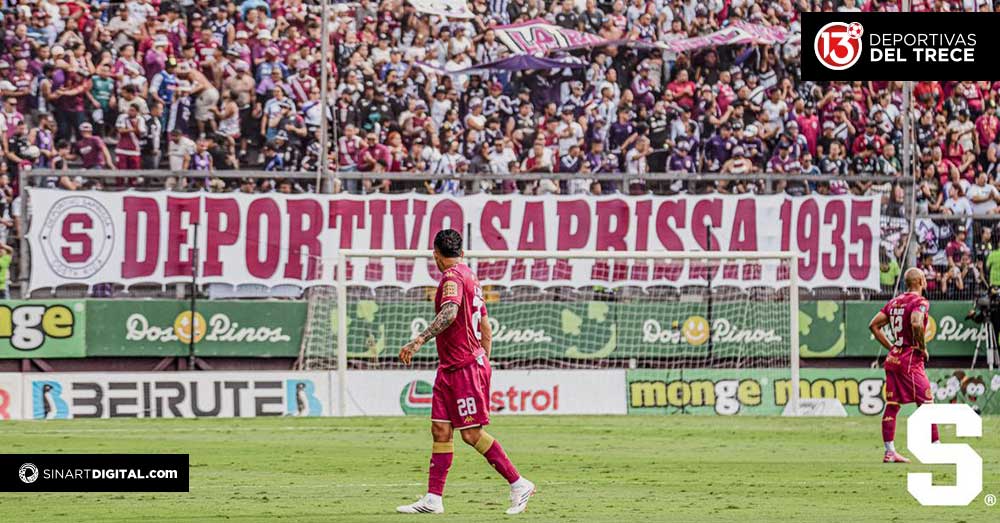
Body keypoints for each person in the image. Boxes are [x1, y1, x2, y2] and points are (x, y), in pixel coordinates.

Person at [396, 229, 534, 516]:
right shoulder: (471, 276)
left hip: (464, 367)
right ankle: (433, 498)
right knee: (441, 429)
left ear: (435, 253)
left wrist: (419, 339)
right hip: (453, 367)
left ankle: (519, 483)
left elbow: (449, 313)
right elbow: (485, 325)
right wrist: (485, 358)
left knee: (471, 434)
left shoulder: (451, 278)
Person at [868, 268, 939, 464]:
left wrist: (892, 347)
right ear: (919, 281)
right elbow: (916, 323)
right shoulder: (920, 302)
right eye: (924, 278)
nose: (925, 280)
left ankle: (890, 452)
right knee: (927, 404)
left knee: (892, 405)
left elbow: (873, 325)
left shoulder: (894, 302)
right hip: (910, 361)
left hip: (893, 360)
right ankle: (936, 447)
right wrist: (922, 347)